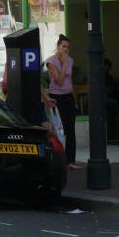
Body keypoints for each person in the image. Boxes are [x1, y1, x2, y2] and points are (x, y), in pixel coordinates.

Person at [46, 35, 80, 169]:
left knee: (71, 128)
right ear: (58, 47)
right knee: (61, 128)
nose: (65, 50)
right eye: (63, 47)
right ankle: (58, 159)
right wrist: (64, 64)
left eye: (67, 47)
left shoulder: (70, 60)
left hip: (68, 96)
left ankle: (71, 160)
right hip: (56, 96)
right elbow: (59, 80)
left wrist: (74, 98)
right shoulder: (51, 62)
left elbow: (69, 80)